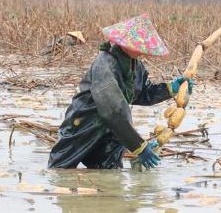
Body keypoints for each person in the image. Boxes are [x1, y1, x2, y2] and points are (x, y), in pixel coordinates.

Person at [48, 14, 193, 170]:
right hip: (85, 123)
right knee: (60, 169)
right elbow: (112, 109)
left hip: (113, 130)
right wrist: (139, 146)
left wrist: (170, 89)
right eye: (138, 46)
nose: (142, 52)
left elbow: (142, 93)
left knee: (109, 173)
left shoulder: (135, 65)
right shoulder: (105, 63)